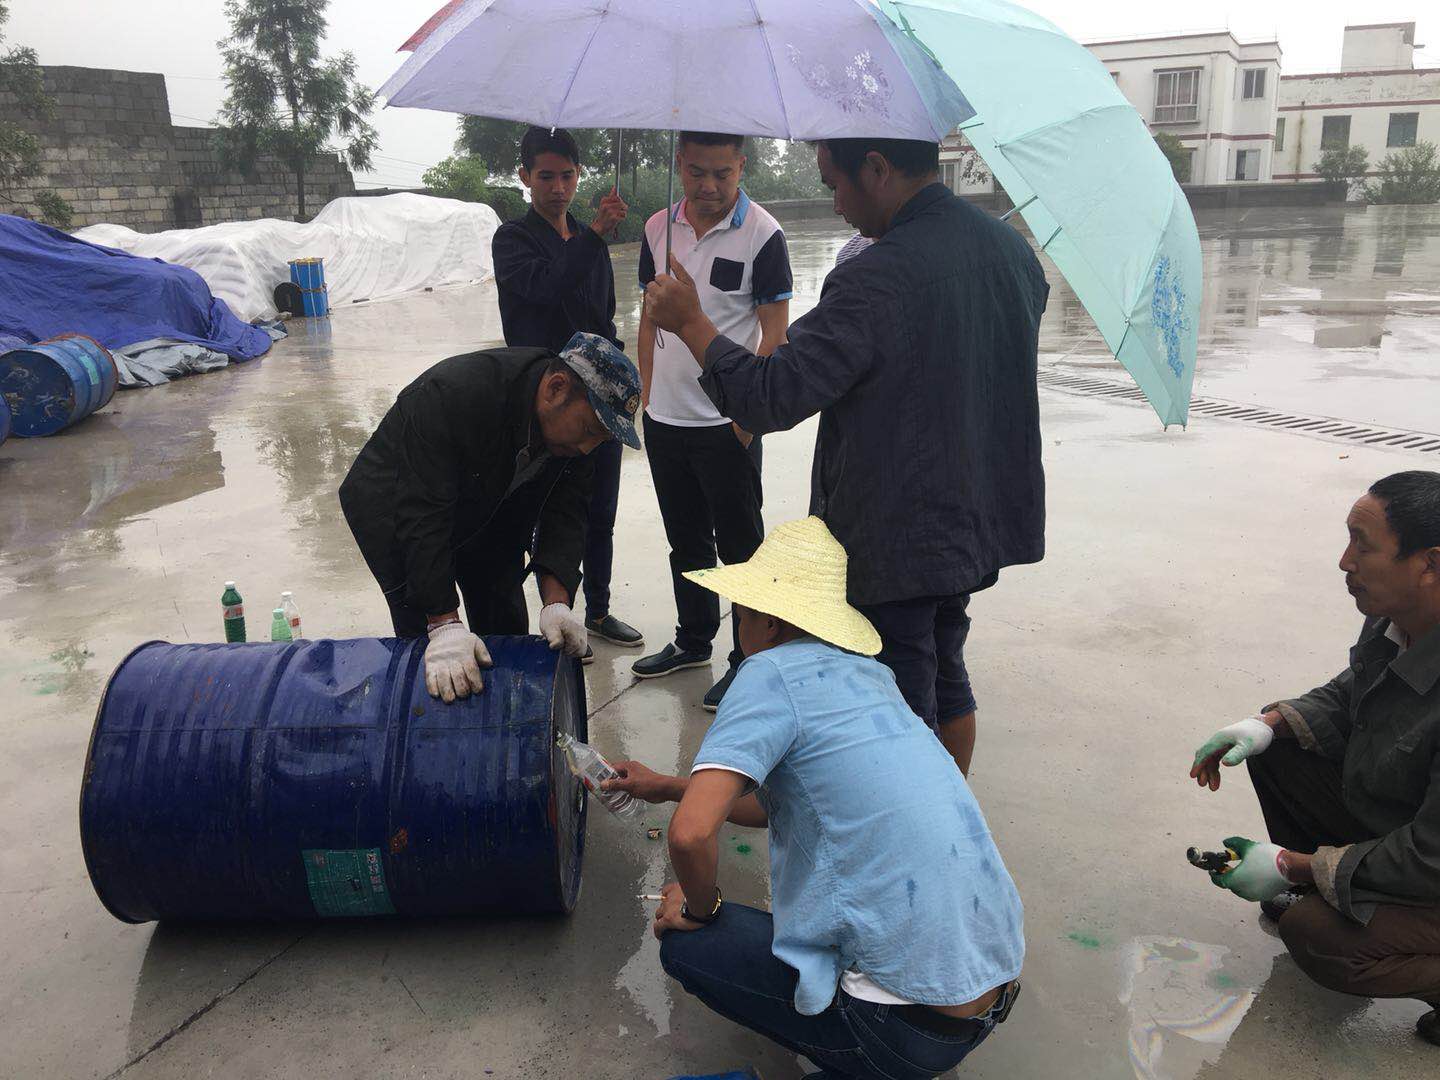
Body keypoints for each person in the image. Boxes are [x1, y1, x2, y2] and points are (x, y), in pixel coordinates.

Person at [643, 137, 1048, 773]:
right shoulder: (1011, 252)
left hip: (899, 532)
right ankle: (952, 811)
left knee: (896, 705)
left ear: (878, 170)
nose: (834, 204)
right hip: (975, 517)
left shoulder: (877, 278)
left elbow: (770, 397)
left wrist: (693, 322)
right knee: (947, 670)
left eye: (835, 183)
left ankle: (908, 844)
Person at [603, 517, 1022, 1079]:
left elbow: (691, 834)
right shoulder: (871, 677)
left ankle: (862, 1057)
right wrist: (667, 786)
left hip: (898, 1031)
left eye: (742, 614)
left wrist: (703, 909)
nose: (738, 628)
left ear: (770, 623)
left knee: (687, 945)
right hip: (983, 1000)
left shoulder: (766, 674)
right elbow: (773, 806)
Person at [1189, 471, 1440, 1048]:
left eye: (1363, 544)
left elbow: (1430, 855)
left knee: (1320, 938)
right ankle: (1343, 887)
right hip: (1418, 833)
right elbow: (1353, 692)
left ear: (1429, 564)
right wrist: (1262, 726)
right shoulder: (1395, 620)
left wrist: (1294, 867)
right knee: (1282, 748)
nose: (1344, 560)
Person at [338, 332, 642, 702]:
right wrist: (444, 623)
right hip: (394, 505)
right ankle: (429, 727)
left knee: (504, 613)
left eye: (601, 439)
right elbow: (423, 514)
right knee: (430, 638)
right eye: (590, 430)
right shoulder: (454, 395)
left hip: (491, 498)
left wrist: (556, 601)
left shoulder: (575, 435)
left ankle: (506, 721)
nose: (587, 447)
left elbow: (568, 512)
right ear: (556, 389)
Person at [632, 130, 793, 712]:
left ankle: (745, 661)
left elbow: (775, 331)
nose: (709, 185)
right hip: (667, 420)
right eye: (697, 171)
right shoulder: (657, 229)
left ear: (741, 167)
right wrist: (647, 395)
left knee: (743, 550)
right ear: (679, 165)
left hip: (728, 424)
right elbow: (648, 319)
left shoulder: (764, 235)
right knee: (686, 544)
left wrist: (751, 416)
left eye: (722, 173)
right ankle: (693, 640)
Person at [491, 126, 643, 659]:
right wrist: (595, 235)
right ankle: (544, 613)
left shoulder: (587, 240)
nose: (558, 187)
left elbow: (603, 317)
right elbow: (546, 287)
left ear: (579, 176)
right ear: (525, 178)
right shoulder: (512, 240)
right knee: (537, 512)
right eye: (546, 176)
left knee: (598, 510)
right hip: (541, 405)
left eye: (567, 176)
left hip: (592, 407)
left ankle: (595, 610)